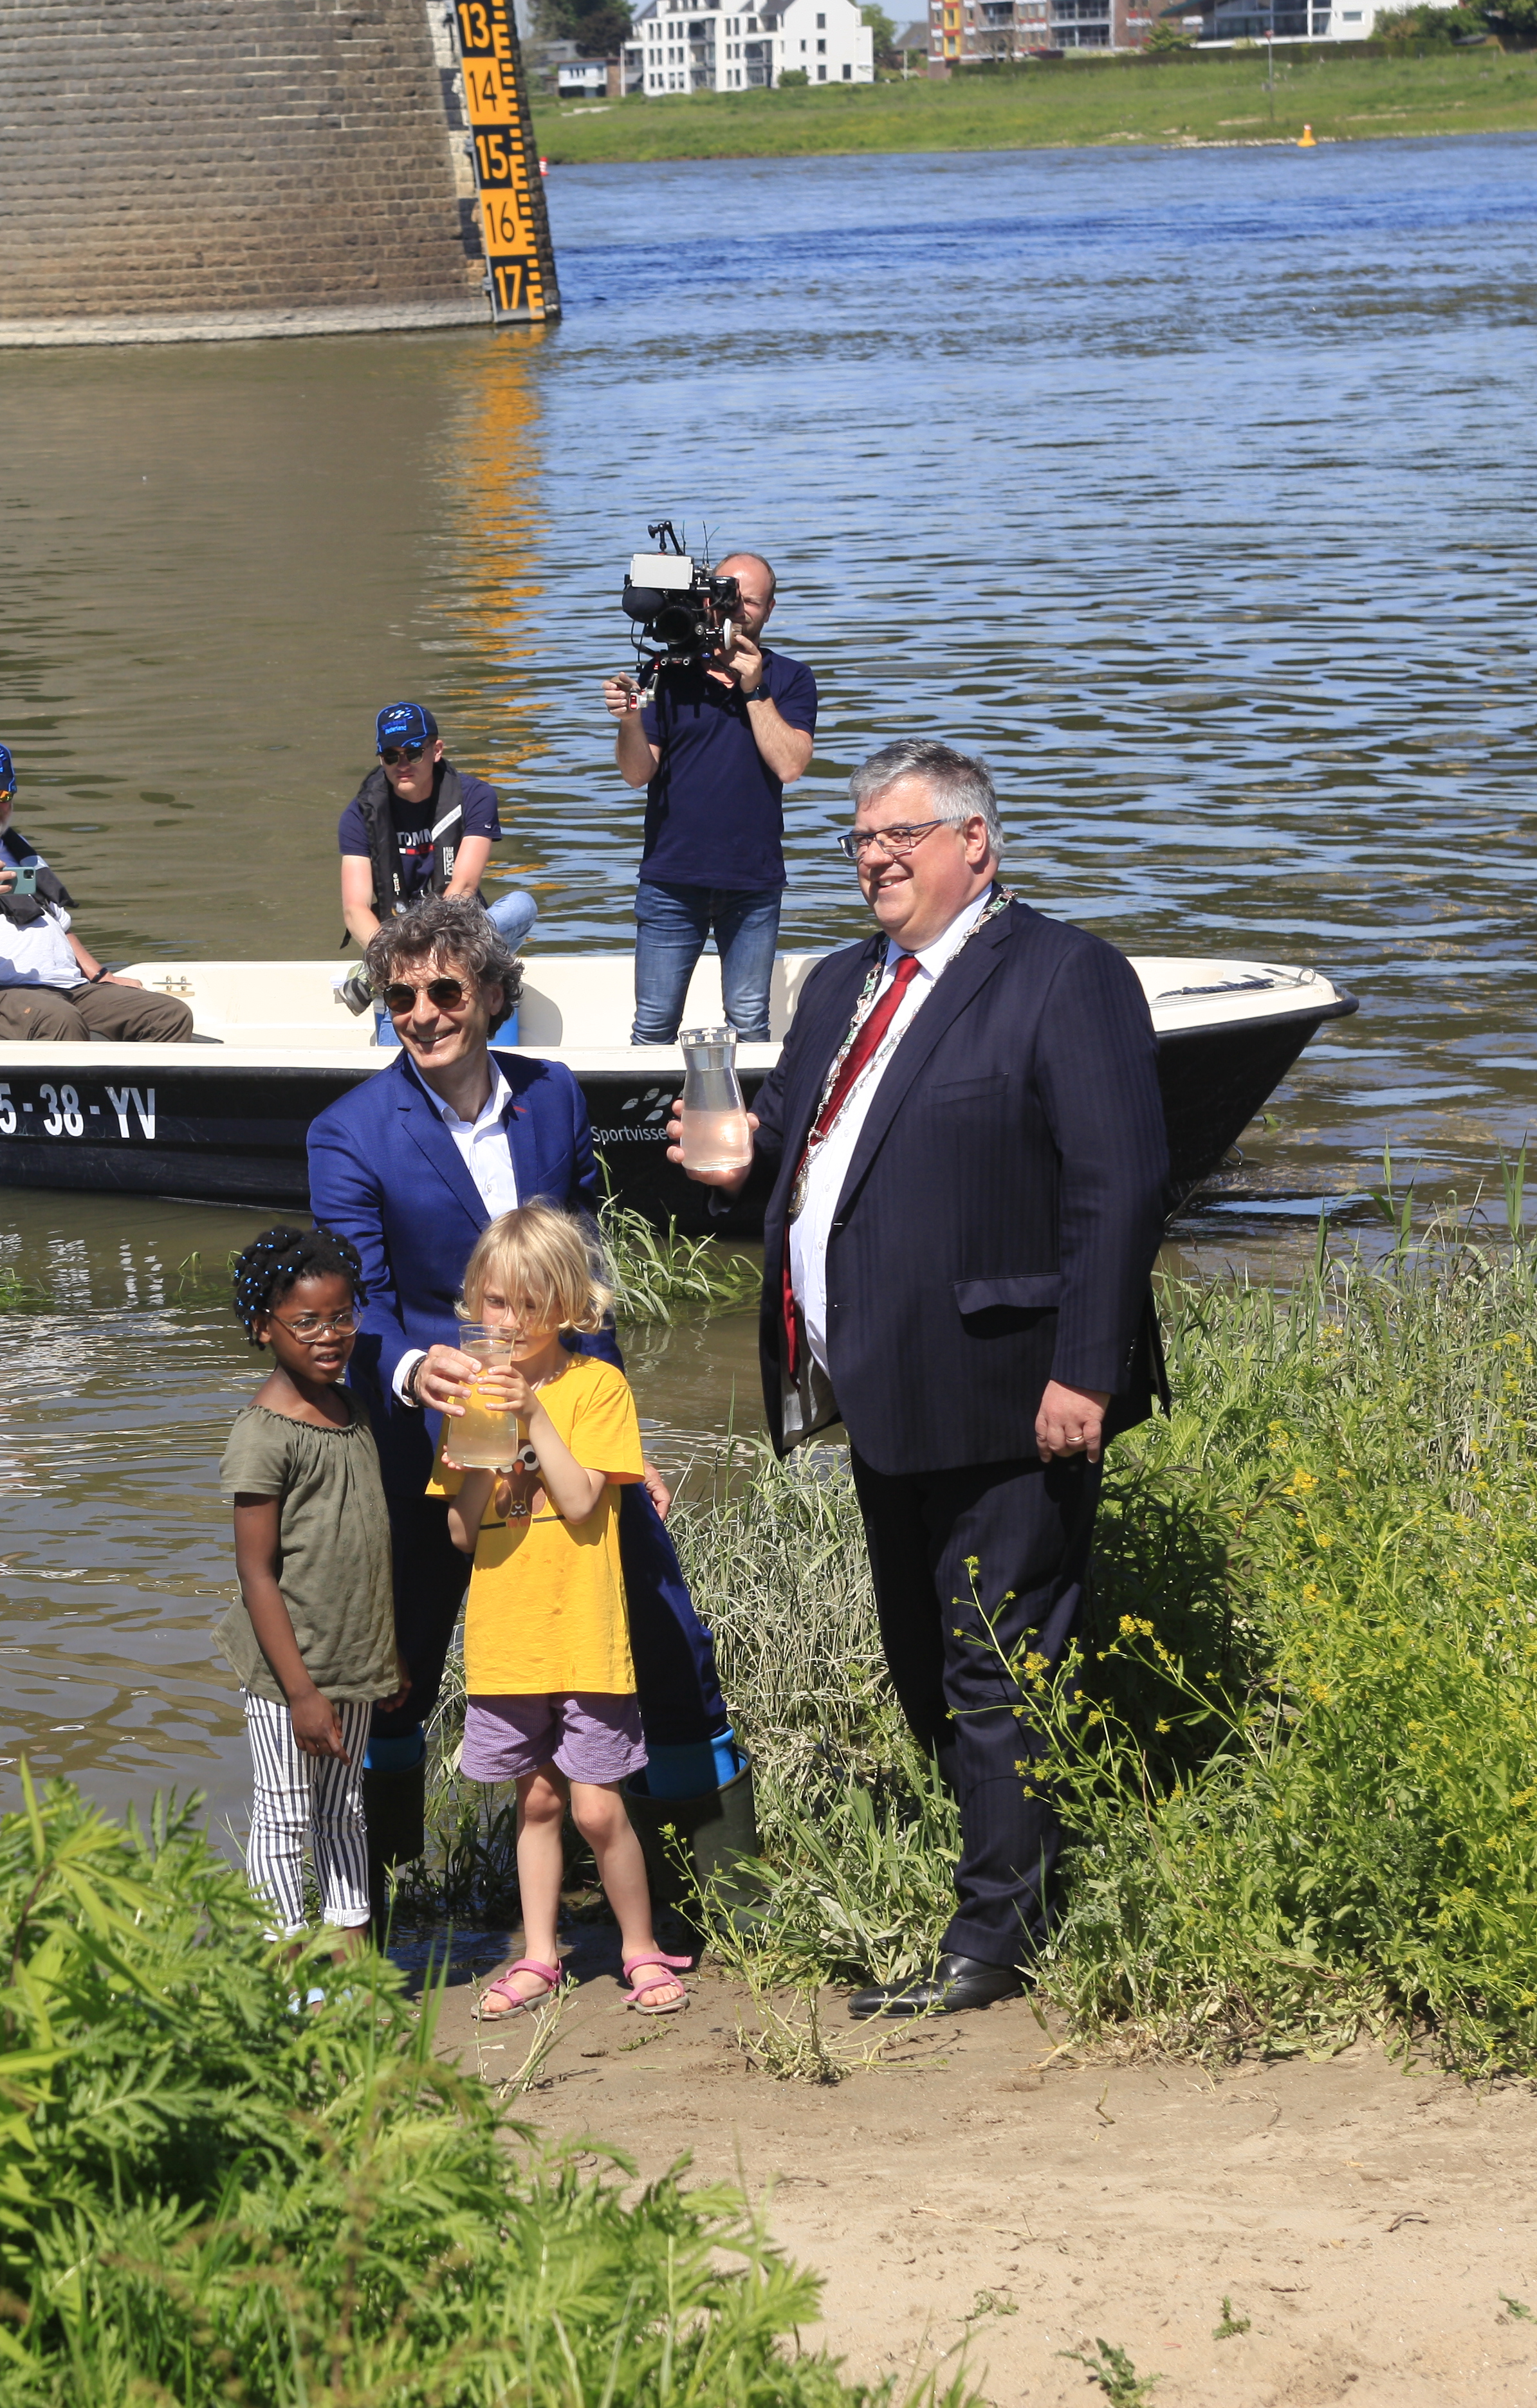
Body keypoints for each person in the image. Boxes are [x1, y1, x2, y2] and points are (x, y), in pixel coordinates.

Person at [669, 738, 1166, 2018]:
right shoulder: (841, 983)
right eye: (859, 837)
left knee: (994, 1664)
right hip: (880, 1393)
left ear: (974, 843)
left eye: (902, 835)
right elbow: (795, 1137)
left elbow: (1119, 1189)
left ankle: (990, 1946)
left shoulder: (1064, 976)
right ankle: (1018, 1878)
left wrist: (1085, 1374)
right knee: (919, 1660)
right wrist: (738, 1160)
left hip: (1013, 1393)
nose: (876, 857)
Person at [306, 895, 746, 1892]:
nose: (421, 1012)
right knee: (399, 1663)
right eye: (400, 993)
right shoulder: (348, 1132)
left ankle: (720, 1895)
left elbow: (587, 1283)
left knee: (664, 1629)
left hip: (571, 1427)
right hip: (428, 1438)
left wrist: (624, 1438)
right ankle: (375, 1909)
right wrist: (417, 1372)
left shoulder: (554, 1096)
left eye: (445, 989)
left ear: (494, 994)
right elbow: (358, 1295)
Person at [439, 1203, 692, 2021]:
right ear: (474, 1302)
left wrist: (534, 1416)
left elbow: (584, 1502)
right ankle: (540, 1956)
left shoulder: (597, 1388)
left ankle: (639, 1947)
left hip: (584, 1632)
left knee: (592, 1802)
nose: (508, 1323)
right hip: (509, 1637)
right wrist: (477, 1456)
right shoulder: (469, 1396)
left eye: (529, 1304)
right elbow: (458, 1530)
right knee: (537, 1801)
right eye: (495, 1303)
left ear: (570, 1307)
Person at [219, 1224, 404, 1947]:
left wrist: (384, 1658)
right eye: (306, 1323)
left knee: (344, 1809)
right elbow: (257, 1575)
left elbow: (362, 1547)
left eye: (342, 1316)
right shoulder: (264, 1435)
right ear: (263, 1328)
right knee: (285, 1814)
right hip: (285, 1675)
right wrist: (300, 1692)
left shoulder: (350, 1409)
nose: (329, 1337)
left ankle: (350, 1961)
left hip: (352, 1663)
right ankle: (284, 1970)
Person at [600, 551, 817, 1045]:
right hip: (672, 881)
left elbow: (791, 765)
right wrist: (630, 719)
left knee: (749, 1023)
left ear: (771, 609)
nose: (738, 611)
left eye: (752, 603)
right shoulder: (666, 672)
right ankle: (649, 1124)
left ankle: (749, 1123)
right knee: (653, 1026)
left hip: (753, 882)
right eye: (728, 598)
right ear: (706, 600)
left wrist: (754, 689)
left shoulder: (791, 679)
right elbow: (637, 775)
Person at [0, 736, 196, 1042]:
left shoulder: (16, 848)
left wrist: (100, 976)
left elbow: (55, 920)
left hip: (63, 988)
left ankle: (142, 1098)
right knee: (56, 1019)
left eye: (3, 796)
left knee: (168, 1014)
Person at [335, 701, 537, 1010]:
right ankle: (385, 972)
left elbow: (463, 887)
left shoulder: (476, 796)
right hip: (396, 945)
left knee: (522, 906)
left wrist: (431, 954)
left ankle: (376, 976)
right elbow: (354, 909)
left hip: (459, 932)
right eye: (391, 756)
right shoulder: (359, 815)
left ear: (436, 750)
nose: (402, 764)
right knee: (399, 1053)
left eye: (413, 753)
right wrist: (398, 958)